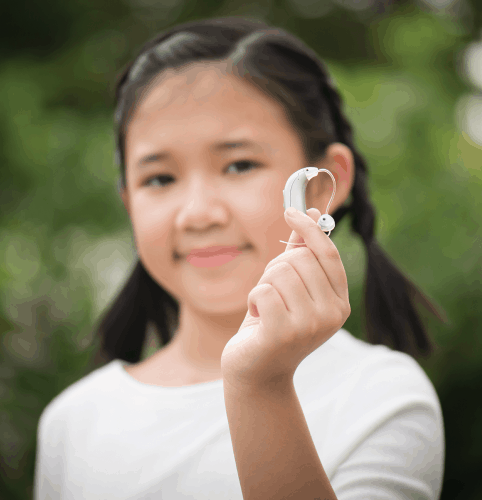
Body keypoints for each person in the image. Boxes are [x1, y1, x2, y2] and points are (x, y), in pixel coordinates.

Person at [34, 16, 447, 500]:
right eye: (160, 179)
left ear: (322, 183)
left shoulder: (381, 396)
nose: (198, 213)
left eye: (239, 165)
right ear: (129, 201)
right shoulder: (73, 421)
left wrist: (261, 387)